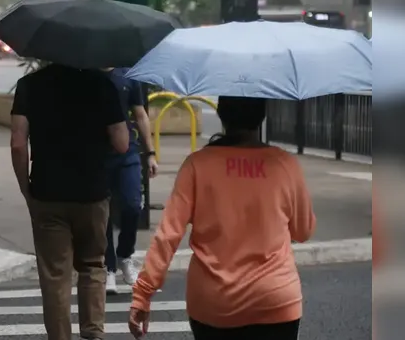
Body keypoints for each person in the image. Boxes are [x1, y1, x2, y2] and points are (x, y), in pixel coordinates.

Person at [128, 96, 316, 340]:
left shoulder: (197, 165)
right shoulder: (285, 164)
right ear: (262, 116)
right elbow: (303, 232)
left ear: (222, 116)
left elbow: (168, 235)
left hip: (213, 302)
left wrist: (143, 294)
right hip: (275, 298)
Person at [9, 64, 129, 340]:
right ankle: (93, 332)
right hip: (93, 193)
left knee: (55, 276)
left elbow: (18, 143)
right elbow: (122, 143)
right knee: (92, 265)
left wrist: (26, 189)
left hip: (47, 192)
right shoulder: (102, 84)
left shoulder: (30, 85)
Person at [102, 67, 159, 293]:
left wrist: (151, 153)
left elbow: (140, 114)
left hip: (128, 153)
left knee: (133, 205)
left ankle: (125, 255)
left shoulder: (128, 77)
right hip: (98, 155)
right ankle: (108, 267)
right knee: (102, 212)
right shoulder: (89, 76)